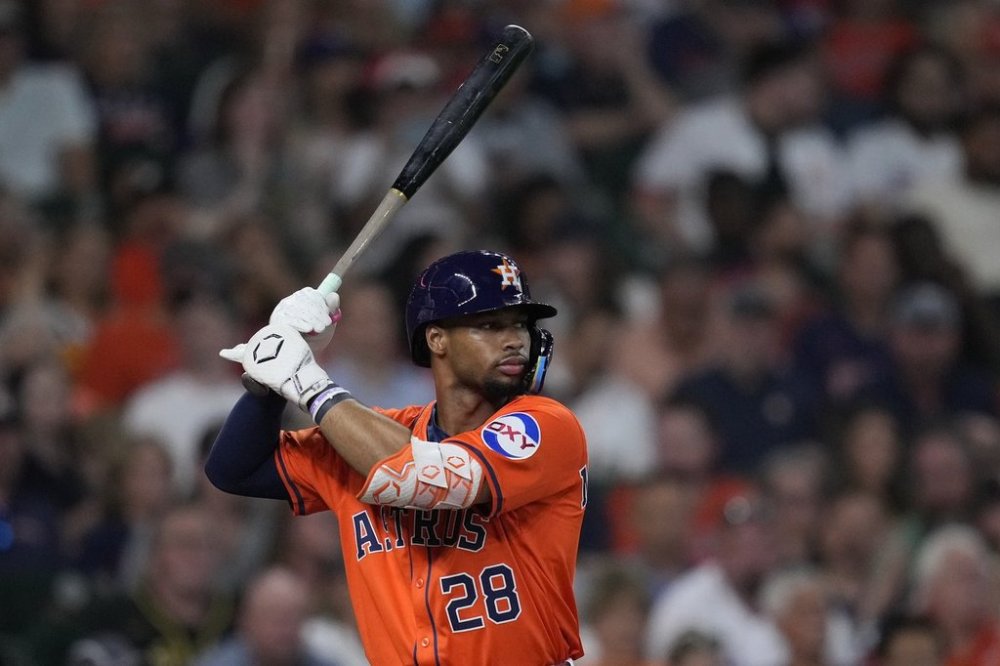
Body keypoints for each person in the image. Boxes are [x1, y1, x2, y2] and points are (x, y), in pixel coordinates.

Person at [206, 250, 589, 665]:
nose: (514, 339)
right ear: (436, 339)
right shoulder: (365, 437)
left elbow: (427, 479)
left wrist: (308, 382)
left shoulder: (545, 426)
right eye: (490, 325)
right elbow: (232, 470)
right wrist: (269, 382)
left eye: (520, 325)